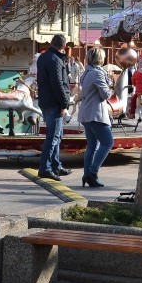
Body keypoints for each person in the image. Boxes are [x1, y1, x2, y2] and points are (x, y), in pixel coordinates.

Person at [77, 47, 114, 188]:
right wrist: (111, 86)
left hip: (86, 113)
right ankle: (92, 173)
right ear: (100, 58)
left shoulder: (86, 72)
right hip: (96, 113)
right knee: (107, 143)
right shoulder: (98, 74)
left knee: (92, 145)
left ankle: (87, 174)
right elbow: (105, 95)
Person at [36, 34, 71, 181]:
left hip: (46, 100)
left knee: (56, 135)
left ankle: (56, 165)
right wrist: (64, 103)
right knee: (53, 136)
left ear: (51, 43)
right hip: (54, 102)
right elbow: (58, 84)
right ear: (63, 46)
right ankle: (45, 168)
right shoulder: (55, 60)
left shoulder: (43, 57)